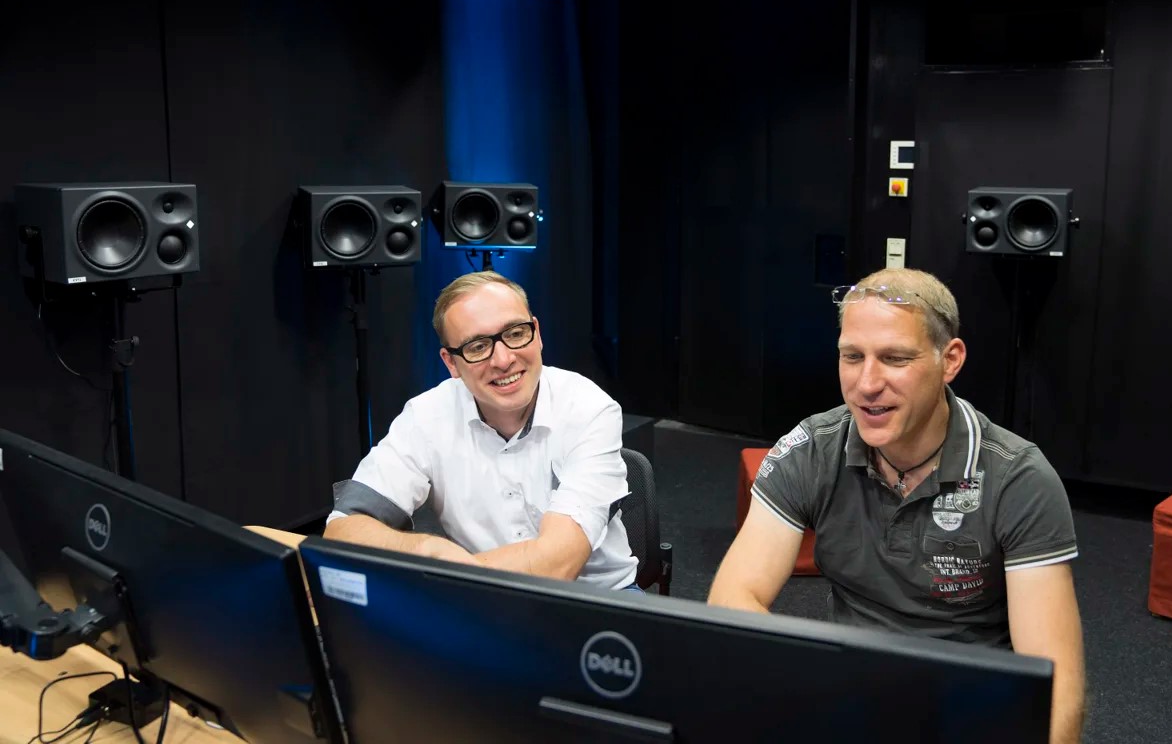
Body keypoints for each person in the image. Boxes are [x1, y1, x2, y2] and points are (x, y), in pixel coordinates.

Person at [708, 267, 1085, 744]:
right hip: (850, 697)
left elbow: (1056, 685)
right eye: (852, 356)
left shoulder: (1019, 478)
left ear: (950, 360)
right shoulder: (811, 450)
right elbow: (733, 598)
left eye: (895, 358)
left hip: (971, 710)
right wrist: (812, 690)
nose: (867, 383)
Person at [323, 271, 639, 591]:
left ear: (537, 333)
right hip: (477, 596)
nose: (503, 360)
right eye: (477, 347)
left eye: (516, 333)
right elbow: (342, 530)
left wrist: (444, 570)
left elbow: (556, 565)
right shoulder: (426, 416)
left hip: (599, 599)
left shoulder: (588, 408)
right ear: (451, 363)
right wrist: (426, 550)